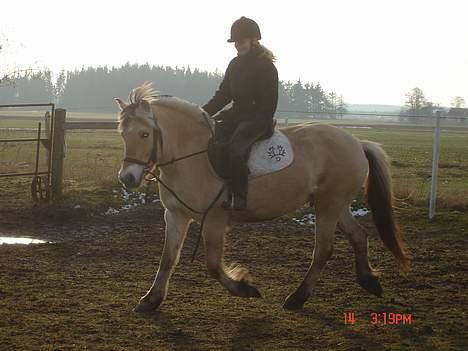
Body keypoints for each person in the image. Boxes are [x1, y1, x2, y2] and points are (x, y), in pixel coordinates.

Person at [202, 16, 279, 210]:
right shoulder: (234, 64)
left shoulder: (266, 67)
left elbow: (269, 104)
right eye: (235, 42)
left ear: (254, 40)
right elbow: (223, 95)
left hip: (257, 120)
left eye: (241, 42)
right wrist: (202, 113)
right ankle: (218, 188)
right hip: (236, 116)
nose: (237, 46)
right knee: (214, 141)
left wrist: (257, 123)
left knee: (235, 151)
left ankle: (240, 196)